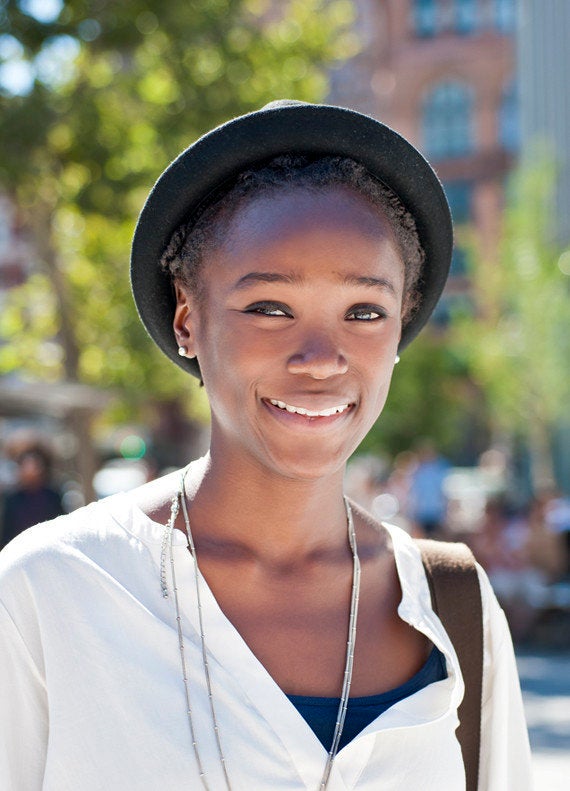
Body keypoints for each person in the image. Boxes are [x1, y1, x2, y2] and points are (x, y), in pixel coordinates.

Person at [0, 100, 530, 789]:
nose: (321, 357)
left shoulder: (450, 604)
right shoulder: (51, 590)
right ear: (188, 321)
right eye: (269, 308)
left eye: (365, 311)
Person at [0, 444, 64, 548]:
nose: (31, 469)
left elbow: (60, 524)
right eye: (26, 464)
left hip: (49, 547)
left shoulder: (53, 495)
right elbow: (6, 532)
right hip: (20, 549)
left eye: (34, 464)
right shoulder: (11, 498)